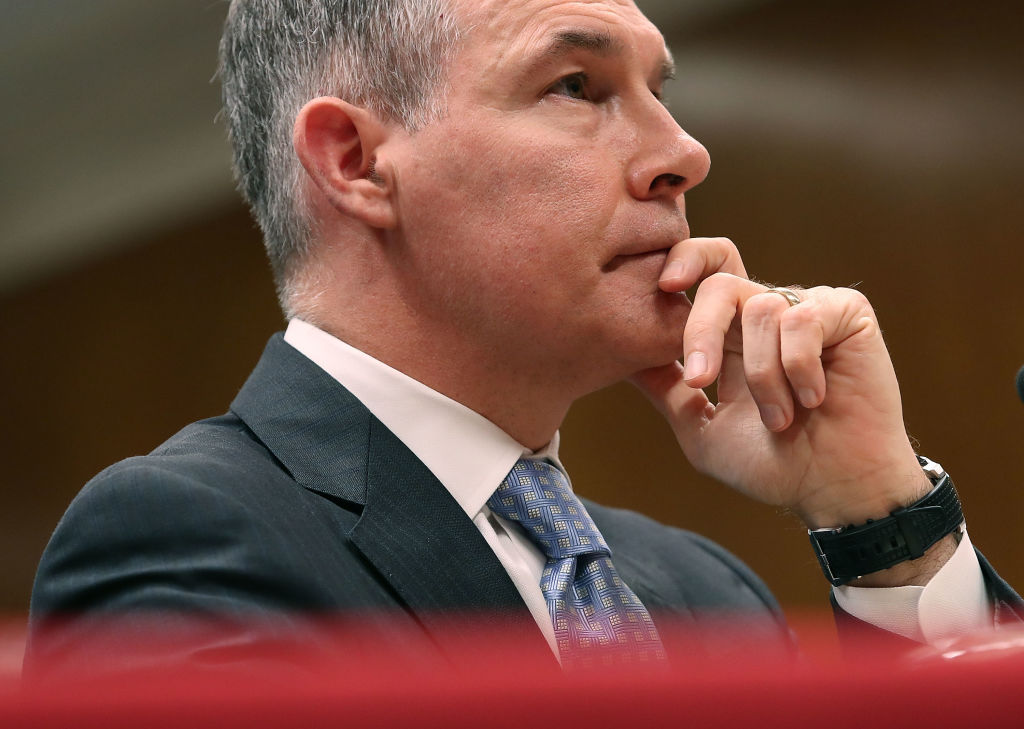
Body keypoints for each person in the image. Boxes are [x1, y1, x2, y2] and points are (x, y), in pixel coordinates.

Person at [25, 0, 1022, 675]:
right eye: (578, 88)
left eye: (658, 92)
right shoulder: (180, 537)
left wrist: (880, 526)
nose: (685, 153)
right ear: (358, 162)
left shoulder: (706, 590)